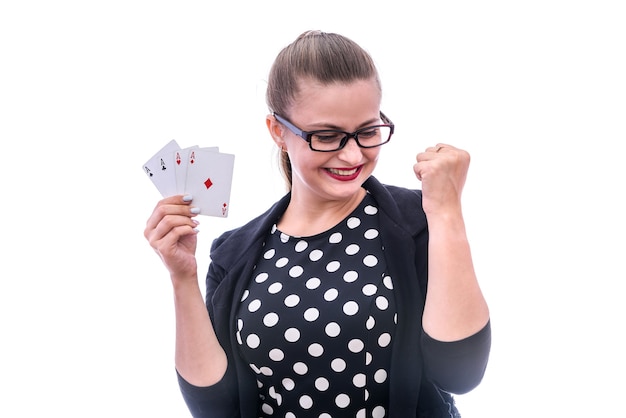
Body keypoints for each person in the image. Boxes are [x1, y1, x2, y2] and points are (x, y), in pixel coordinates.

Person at [144, 30, 490, 418]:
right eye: (327, 136)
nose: (353, 154)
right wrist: (182, 278)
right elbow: (218, 410)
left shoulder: (416, 221)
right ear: (278, 131)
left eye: (368, 131)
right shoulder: (233, 254)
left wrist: (446, 212)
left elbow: (461, 373)